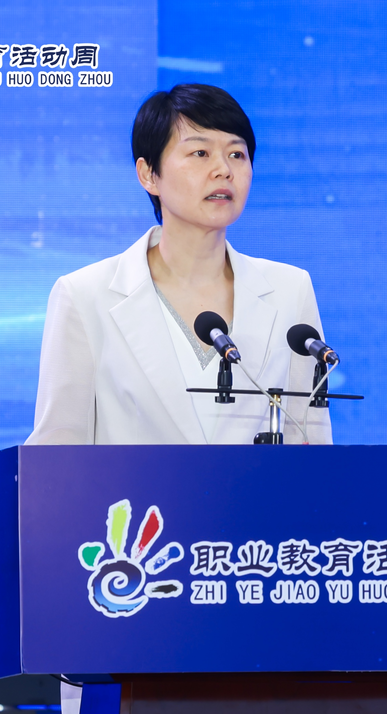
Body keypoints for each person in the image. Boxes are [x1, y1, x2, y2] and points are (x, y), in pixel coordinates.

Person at [25, 83, 332, 447]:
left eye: (237, 154)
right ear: (148, 174)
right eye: (200, 153)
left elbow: (311, 441)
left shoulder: (290, 290)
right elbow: (56, 454)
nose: (223, 170)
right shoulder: (85, 297)